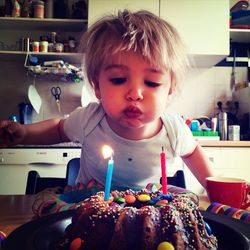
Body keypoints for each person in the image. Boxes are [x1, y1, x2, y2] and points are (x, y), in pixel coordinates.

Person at [0, 10, 213, 190]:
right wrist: (25, 133)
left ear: (170, 90)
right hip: (90, 216)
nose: (135, 94)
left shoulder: (173, 130)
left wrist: (215, 190)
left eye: (152, 82)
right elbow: (58, 129)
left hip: (147, 217)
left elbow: (193, 151)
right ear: (97, 86)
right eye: (118, 79)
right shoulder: (90, 119)